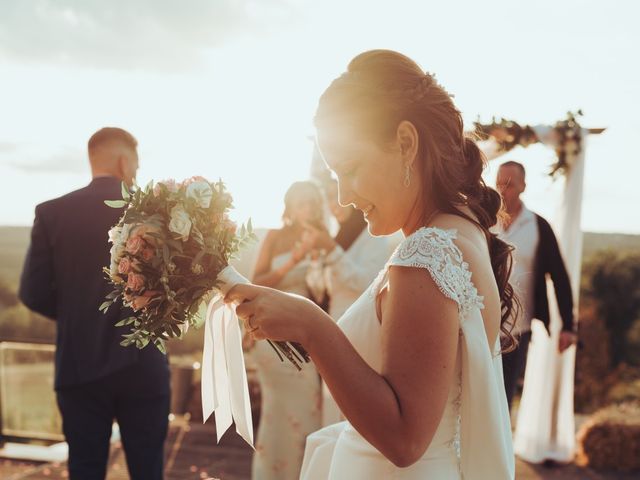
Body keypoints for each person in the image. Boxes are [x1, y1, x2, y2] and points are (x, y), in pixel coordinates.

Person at [227, 50, 517, 479]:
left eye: (351, 169)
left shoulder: (426, 255)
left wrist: (312, 325)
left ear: (405, 143)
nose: (342, 195)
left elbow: (405, 439)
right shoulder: (462, 228)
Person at [19, 127, 170, 480]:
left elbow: (32, 292)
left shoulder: (52, 213)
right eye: (135, 163)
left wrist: (78, 315)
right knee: (148, 470)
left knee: (85, 469)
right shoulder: (154, 213)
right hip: (142, 363)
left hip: (78, 363)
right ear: (123, 161)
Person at [246, 181, 325, 480]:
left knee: (309, 408)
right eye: (303, 202)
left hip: (305, 335)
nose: (310, 207)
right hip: (273, 338)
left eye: (313, 202)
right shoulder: (276, 238)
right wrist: (292, 260)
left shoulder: (322, 239)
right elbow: (257, 282)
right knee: (276, 413)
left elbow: (322, 294)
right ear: (290, 207)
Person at [312, 178, 398, 426]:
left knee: (348, 402)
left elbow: (365, 283)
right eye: (327, 199)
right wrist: (318, 261)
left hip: (358, 324)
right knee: (332, 402)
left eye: (335, 196)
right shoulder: (338, 236)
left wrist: (332, 252)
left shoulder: (372, 235)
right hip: (333, 320)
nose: (334, 204)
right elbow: (321, 290)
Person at [495, 161, 578, 410]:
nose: (503, 189)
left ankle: (500, 448)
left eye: (509, 183)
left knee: (503, 400)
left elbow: (560, 277)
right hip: (479, 323)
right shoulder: (483, 221)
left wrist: (568, 325)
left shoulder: (539, 226)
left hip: (518, 329)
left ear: (523, 186)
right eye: (499, 182)